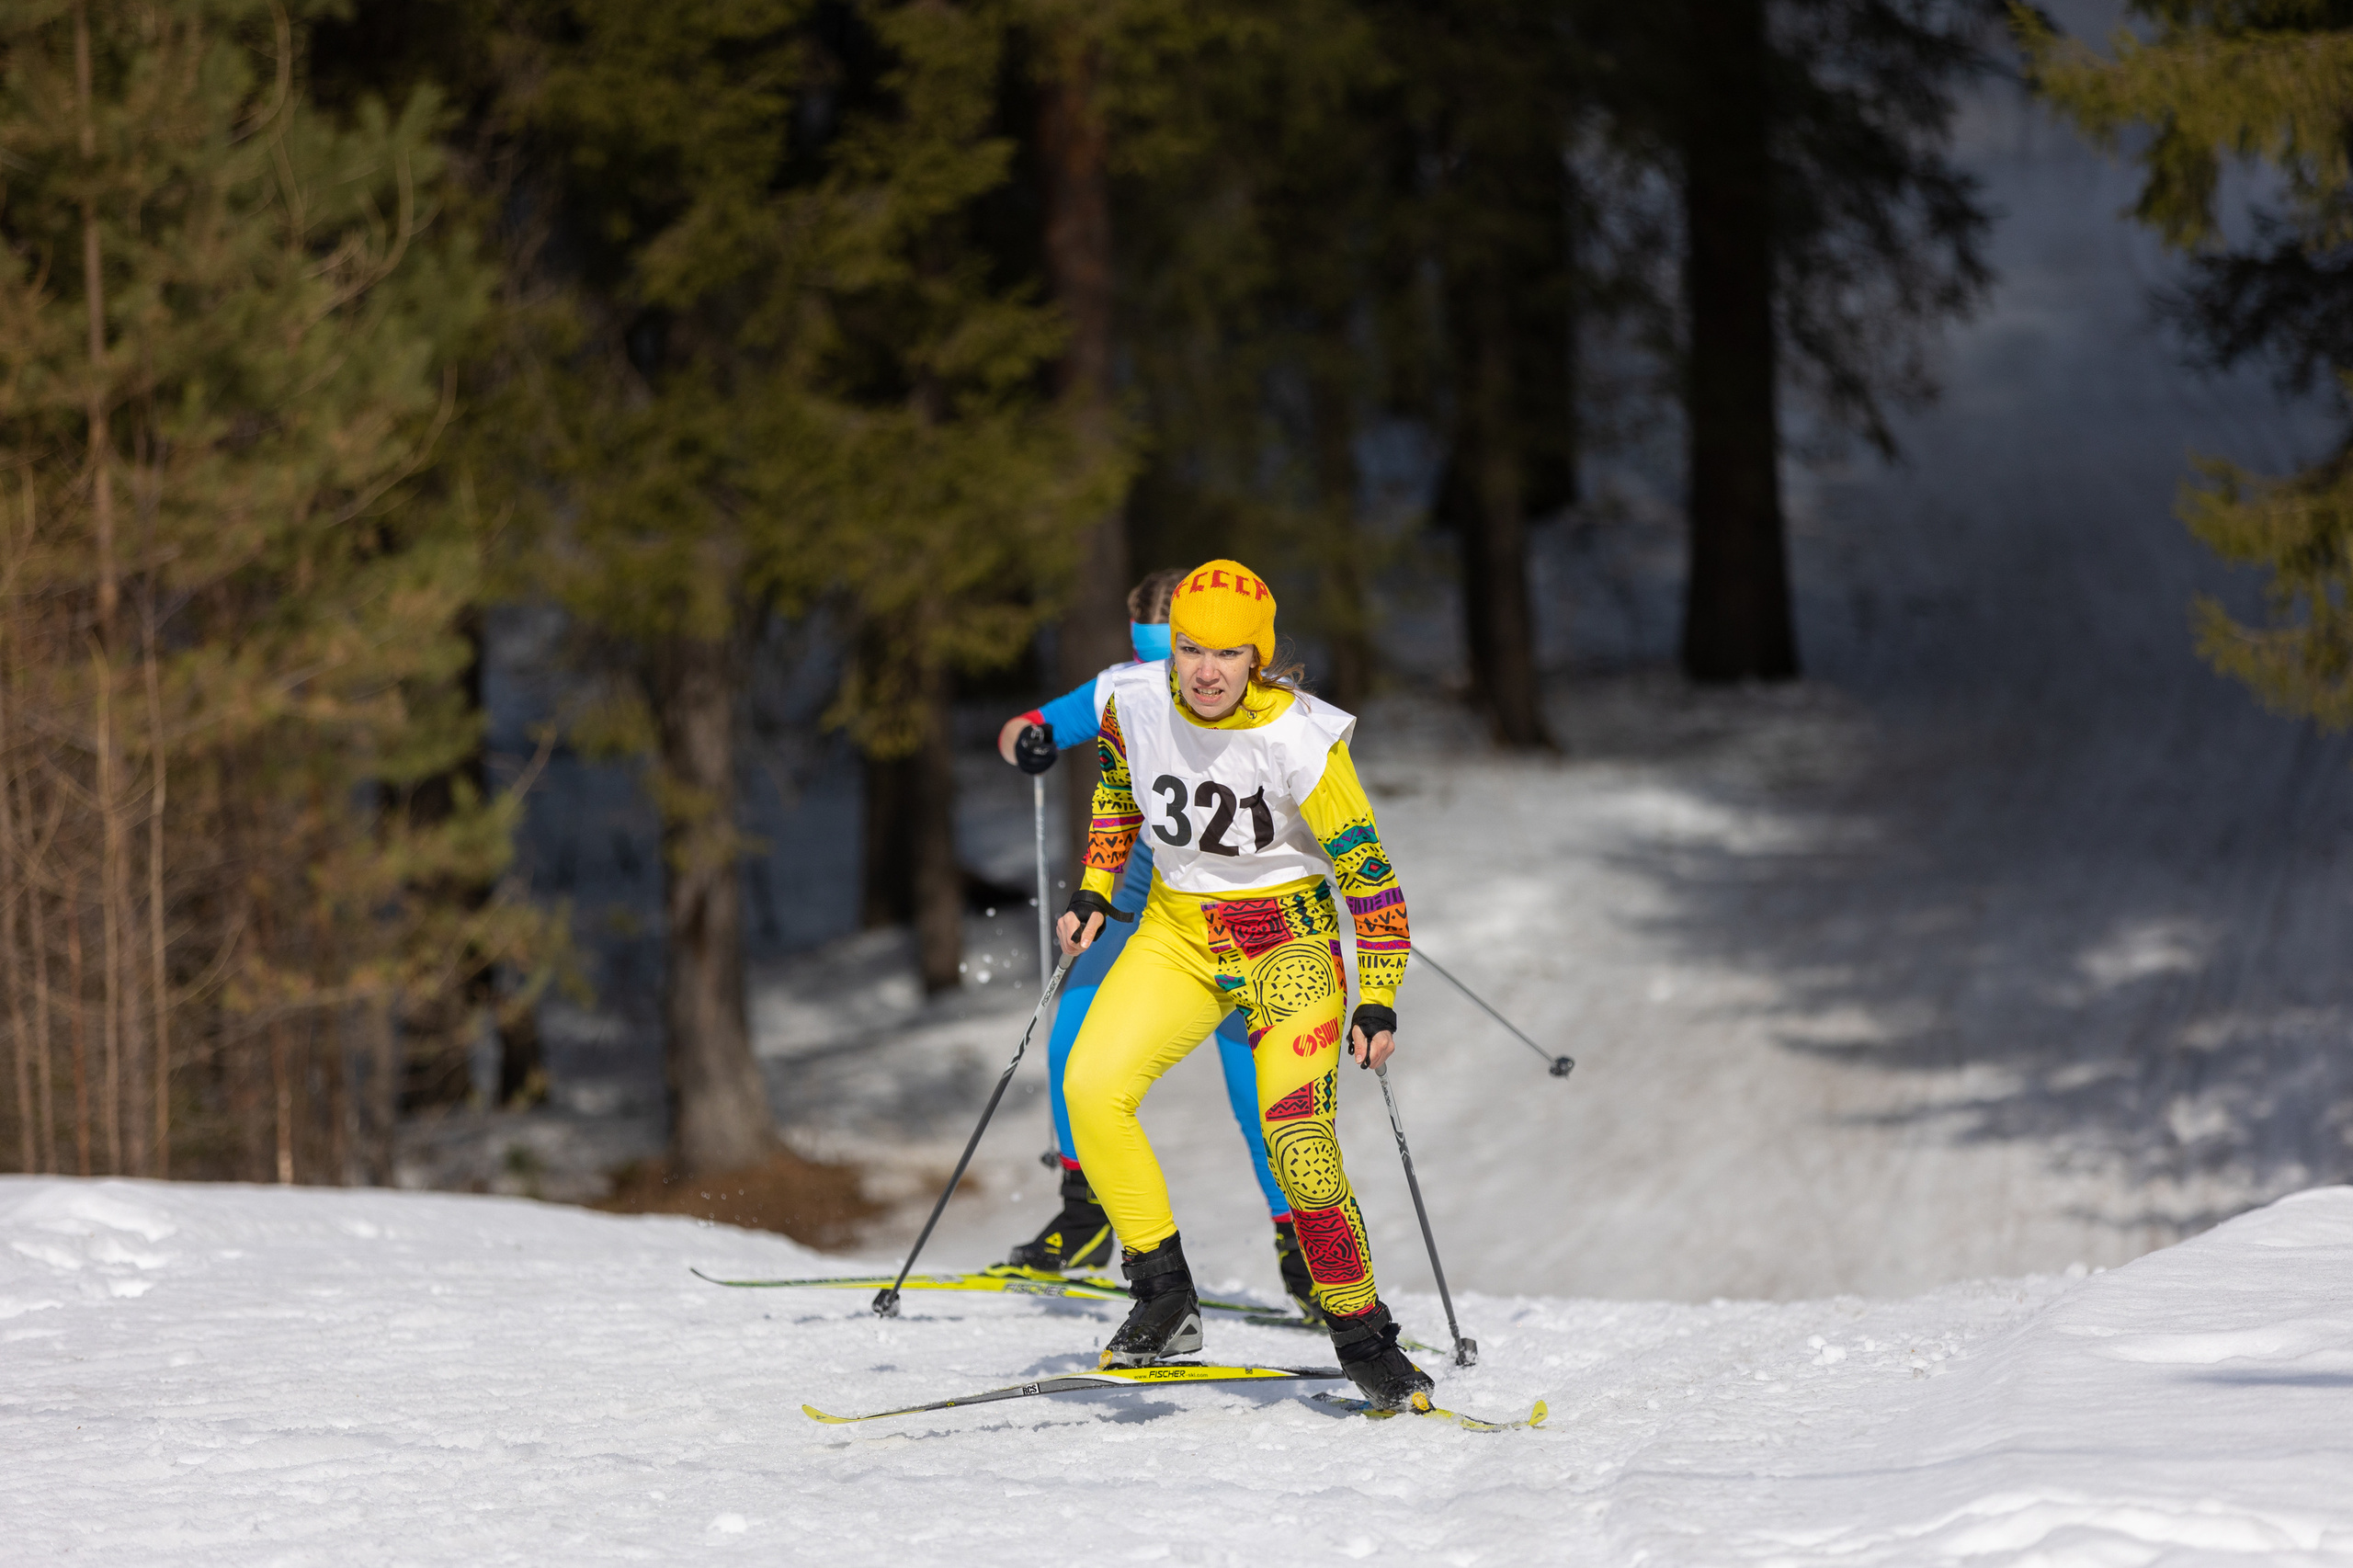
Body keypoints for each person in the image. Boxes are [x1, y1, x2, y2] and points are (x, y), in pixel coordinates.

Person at [1055, 559, 1430, 1410]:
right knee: (1091, 1085)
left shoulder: (1299, 735)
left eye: (1228, 653)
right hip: (1178, 936)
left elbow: (1369, 878)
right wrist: (1094, 887)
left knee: (1299, 1144)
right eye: (1190, 648)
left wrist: (1377, 993)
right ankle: (1164, 1297)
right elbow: (1117, 794)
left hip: (1286, 947)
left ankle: (1363, 1335)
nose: (1207, 670)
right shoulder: (1135, 704)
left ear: (1257, 656)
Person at [995, 569, 1323, 1322]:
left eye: (1172, 655)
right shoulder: (1127, 690)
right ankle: (1087, 1220)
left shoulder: (1250, 701)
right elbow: (1022, 728)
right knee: (1073, 1040)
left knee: (1260, 1090)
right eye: (1153, 656)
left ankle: (1303, 1255)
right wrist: (1032, 743)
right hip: (1137, 898)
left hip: (1239, 908)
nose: (1171, 677)